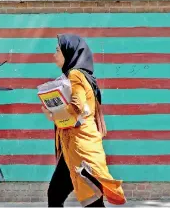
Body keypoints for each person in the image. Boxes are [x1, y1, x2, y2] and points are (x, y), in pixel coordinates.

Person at [41, 34, 126, 207]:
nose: (54, 54)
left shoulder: (75, 75)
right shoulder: (76, 76)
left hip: (81, 153)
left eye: (58, 50)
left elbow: (77, 106)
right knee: (56, 195)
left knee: (90, 202)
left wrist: (51, 114)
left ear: (69, 52)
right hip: (73, 150)